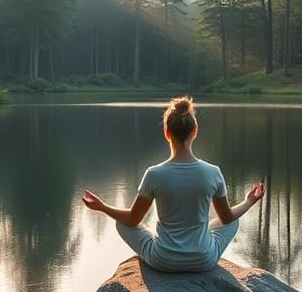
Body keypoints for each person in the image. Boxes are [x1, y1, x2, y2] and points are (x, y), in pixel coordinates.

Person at [82, 96, 265, 272]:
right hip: (203, 260)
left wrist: (102, 207)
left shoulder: (154, 174)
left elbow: (132, 219)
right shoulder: (213, 172)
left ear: (166, 132)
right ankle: (199, 245)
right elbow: (226, 218)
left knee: (121, 223)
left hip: (163, 260)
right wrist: (249, 201)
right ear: (195, 132)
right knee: (232, 221)